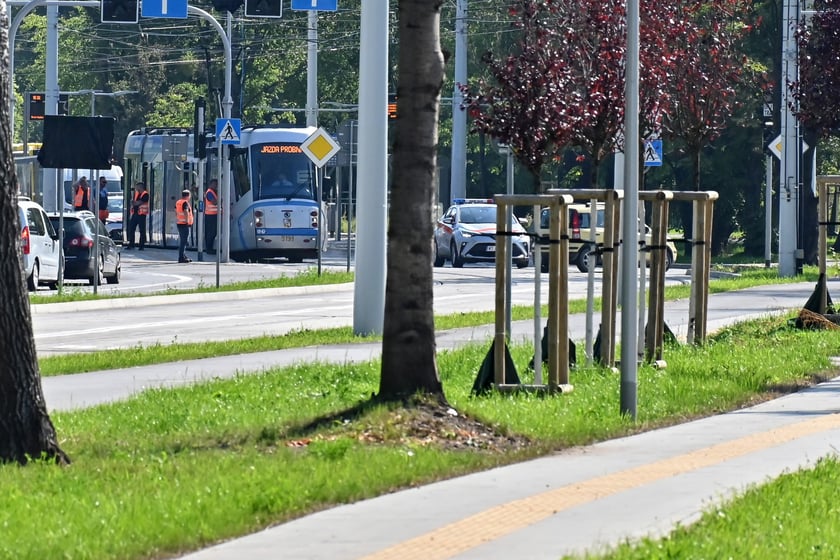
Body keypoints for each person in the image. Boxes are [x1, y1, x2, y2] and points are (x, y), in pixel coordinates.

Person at [126, 182, 149, 250]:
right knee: (131, 229)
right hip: (135, 214)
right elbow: (134, 203)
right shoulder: (136, 194)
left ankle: (141, 246)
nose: (136, 188)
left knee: (142, 230)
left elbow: (139, 202)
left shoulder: (145, 194)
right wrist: (134, 203)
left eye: (137, 187)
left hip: (141, 215)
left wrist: (135, 203)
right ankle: (131, 244)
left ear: (140, 187)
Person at [175, 189, 194, 263]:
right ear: (188, 196)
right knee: (184, 241)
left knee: (183, 240)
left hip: (179, 223)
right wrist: (187, 221)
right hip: (184, 224)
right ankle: (181, 257)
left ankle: (183, 255)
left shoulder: (178, 202)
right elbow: (185, 211)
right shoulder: (185, 203)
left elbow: (175, 211)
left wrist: (178, 218)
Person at [204, 178, 219, 254]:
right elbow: (214, 202)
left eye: (216, 184)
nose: (216, 185)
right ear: (211, 184)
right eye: (215, 184)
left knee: (213, 232)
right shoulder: (209, 192)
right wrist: (221, 200)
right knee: (211, 233)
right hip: (210, 215)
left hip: (213, 215)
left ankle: (210, 248)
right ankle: (209, 249)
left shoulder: (213, 192)